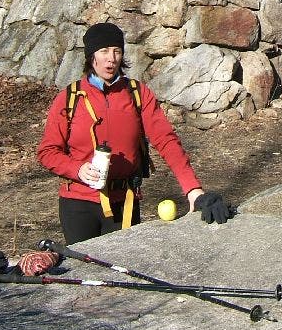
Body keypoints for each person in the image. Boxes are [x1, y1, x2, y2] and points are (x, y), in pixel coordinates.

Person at [37, 22, 234, 244]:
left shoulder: (137, 94)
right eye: (104, 51)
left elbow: (166, 140)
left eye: (117, 51)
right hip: (78, 205)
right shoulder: (70, 97)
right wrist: (77, 169)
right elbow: (47, 152)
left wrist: (193, 189)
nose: (111, 58)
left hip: (125, 204)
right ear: (91, 56)